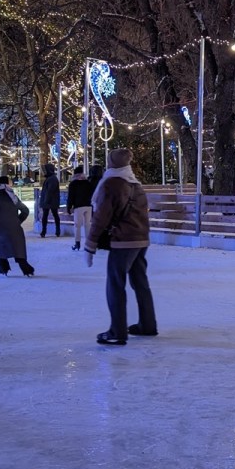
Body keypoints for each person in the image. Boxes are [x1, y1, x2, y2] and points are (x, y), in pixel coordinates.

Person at [84, 148, 158, 345]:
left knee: (115, 284)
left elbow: (101, 217)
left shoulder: (111, 183)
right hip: (141, 239)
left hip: (124, 240)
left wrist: (90, 244)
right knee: (140, 282)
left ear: (111, 163)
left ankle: (117, 331)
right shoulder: (135, 183)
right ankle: (148, 324)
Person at [66, 165, 94, 251]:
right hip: (88, 206)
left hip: (78, 206)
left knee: (77, 225)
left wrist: (69, 207)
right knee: (87, 224)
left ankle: (77, 243)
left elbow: (70, 197)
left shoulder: (73, 184)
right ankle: (88, 243)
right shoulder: (88, 183)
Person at [39, 163, 61, 238]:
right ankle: (46, 231)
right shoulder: (50, 178)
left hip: (50, 201)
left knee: (51, 215)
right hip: (50, 200)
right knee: (51, 215)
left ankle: (54, 231)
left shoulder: (52, 179)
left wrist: (46, 200)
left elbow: (50, 190)